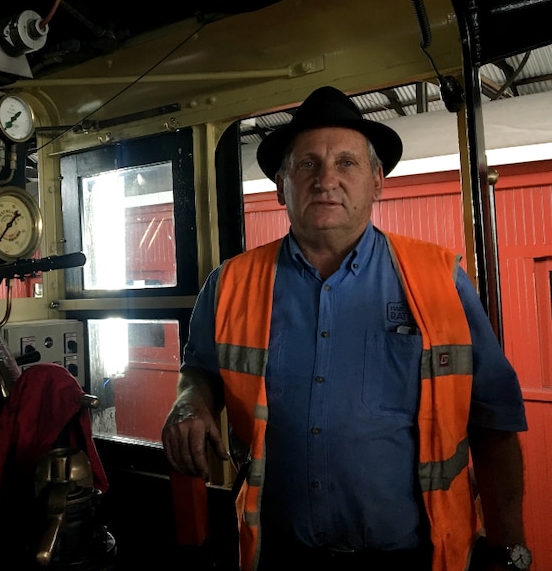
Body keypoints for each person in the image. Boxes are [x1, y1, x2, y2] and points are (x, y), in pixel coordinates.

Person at [161, 86, 530, 571]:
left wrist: (511, 549)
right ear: (281, 185)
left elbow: (495, 424)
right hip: (280, 555)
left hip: (414, 557)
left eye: (347, 164)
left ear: (377, 181)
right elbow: (201, 370)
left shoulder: (440, 280)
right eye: (307, 164)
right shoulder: (229, 284)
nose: (326, 179)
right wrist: (190, 399)